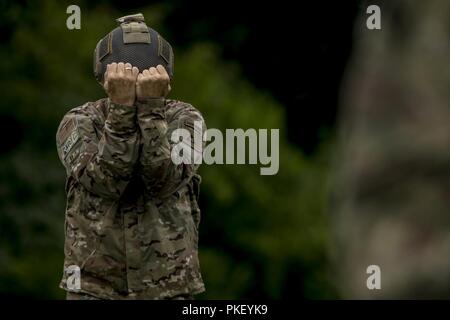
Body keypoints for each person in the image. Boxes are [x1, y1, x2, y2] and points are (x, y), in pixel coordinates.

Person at [56, 13, 206, 300]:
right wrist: (122, 108)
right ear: (105, 81)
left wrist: (151, 109)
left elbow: (163, 180)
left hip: (168, 287)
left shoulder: (186, 119)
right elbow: (106, 182)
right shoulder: (79, 121)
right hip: (94, 288)